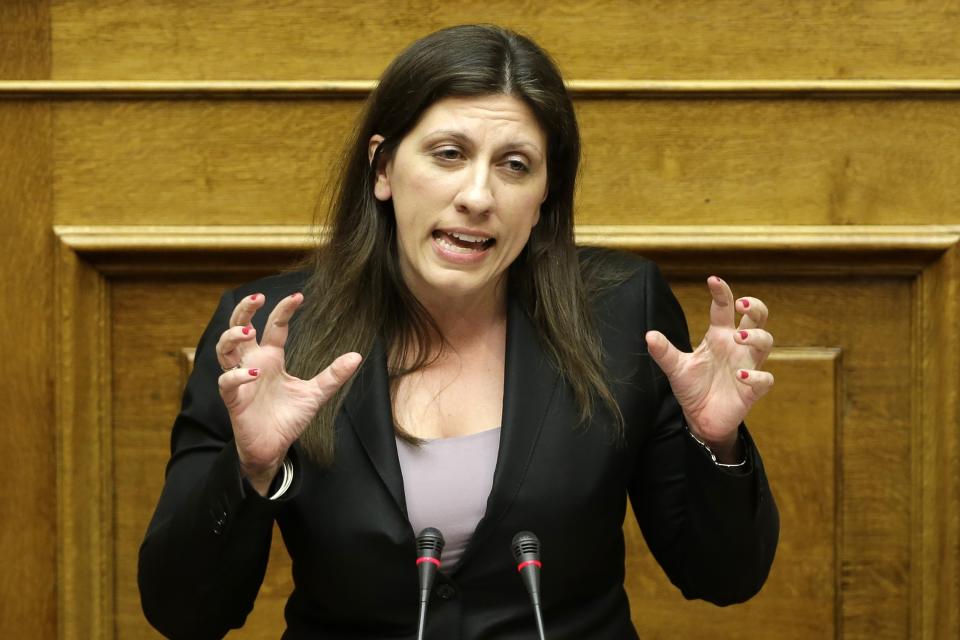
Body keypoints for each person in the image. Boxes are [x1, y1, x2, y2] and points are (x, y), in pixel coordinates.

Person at [138, 24, 779, 640]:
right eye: (449, 154)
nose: (478, 195)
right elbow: (184, 614)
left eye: (515, 165)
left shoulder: (620, 314)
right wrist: (251, 469)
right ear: (383, 169)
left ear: (544, 197)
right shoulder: (276, 337)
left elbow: (723, 578)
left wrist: (715, 444)